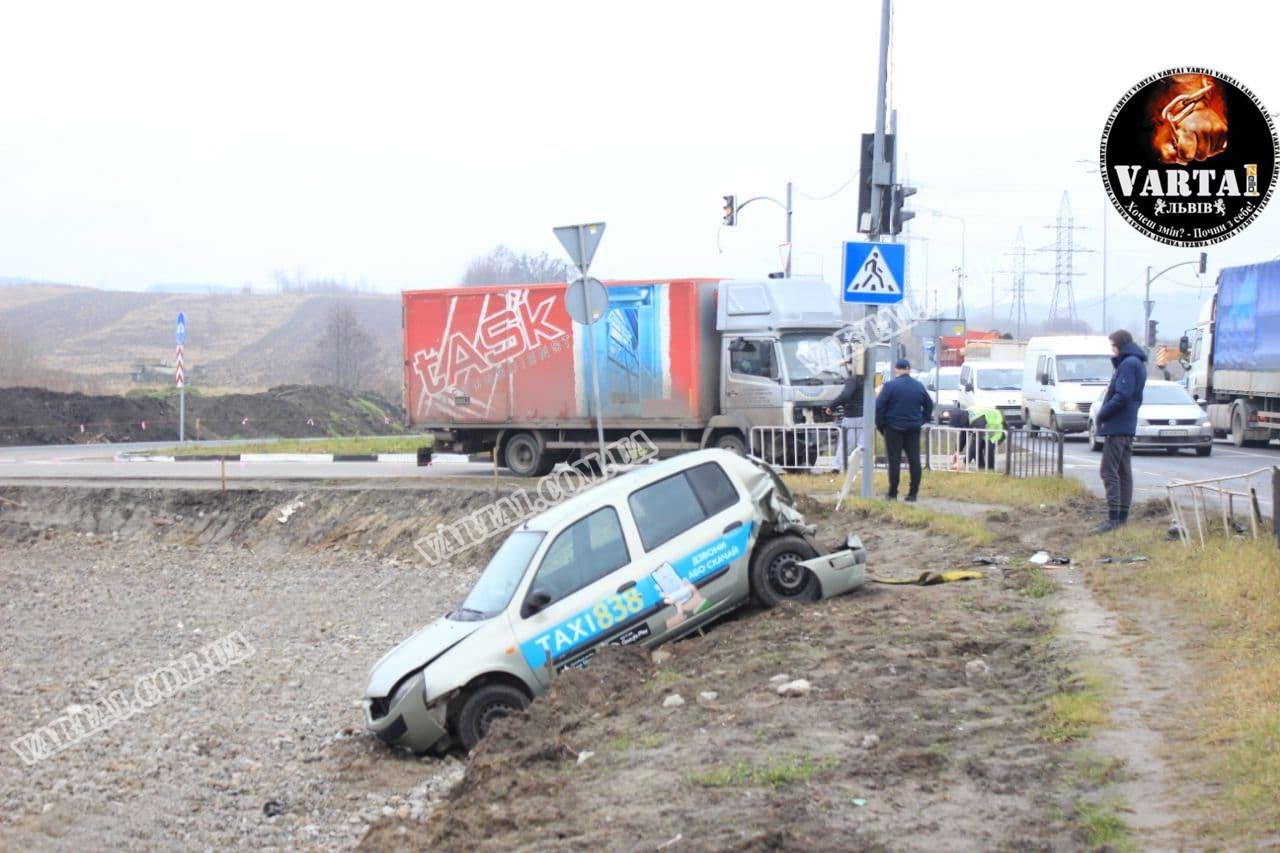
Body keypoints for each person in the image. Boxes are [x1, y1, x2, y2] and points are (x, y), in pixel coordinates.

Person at [1093, 329, 1147, 534]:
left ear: (1120, 345)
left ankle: (1114, 518)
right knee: (1124, 472)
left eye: (1113, 345)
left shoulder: (1128, 364)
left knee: (1109, 471)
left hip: (1118, 425)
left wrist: (1103, 413)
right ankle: (1121, 518)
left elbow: (1122, 395)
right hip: (1126, 425)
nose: (1112, 350)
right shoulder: (1136, 363)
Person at [875, 358, 934, 501]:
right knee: (914, 460)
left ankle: (892, 493)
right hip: (913, 428)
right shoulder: (918, 386)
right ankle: (913, 494)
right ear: (909, 369)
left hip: (893, 428)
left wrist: (882, 426)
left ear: (896, 370)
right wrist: (922, 420)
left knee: (894, 461)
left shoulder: (889, 386)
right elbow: (929, 404)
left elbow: (879, 407)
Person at [825, 358, 864, 470]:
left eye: (847, 365)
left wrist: (831, 406)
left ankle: (837, 467)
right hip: (868, 415)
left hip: (853, 415)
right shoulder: (873, 377)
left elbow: (845, 395)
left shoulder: (853, 379)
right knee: (863, 444)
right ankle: (862, 468)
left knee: (845, 443)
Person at [952, 404, 1005, 470]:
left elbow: (976, 443)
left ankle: (990, 469)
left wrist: (964, 462)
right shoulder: (965, 415)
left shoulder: (977, 421)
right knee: (976, 450)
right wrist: (956, 451)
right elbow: (963, 434)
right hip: (986, 429)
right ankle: (981, 468)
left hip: (997, 429)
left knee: (988, 447)